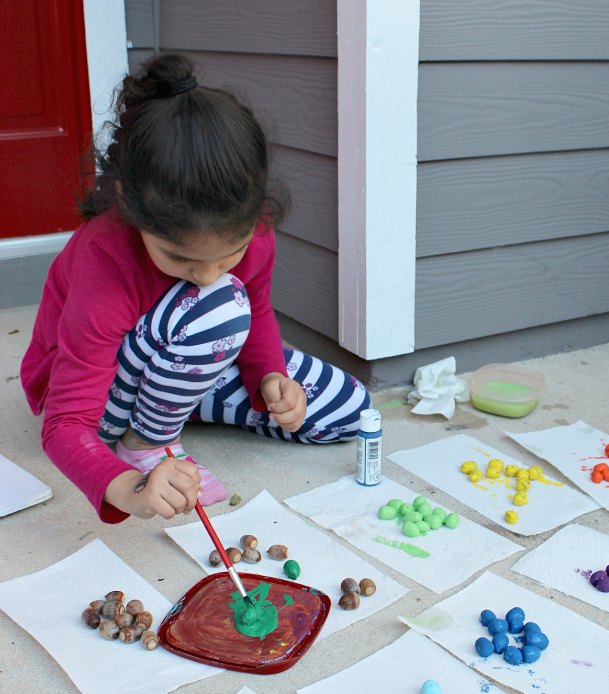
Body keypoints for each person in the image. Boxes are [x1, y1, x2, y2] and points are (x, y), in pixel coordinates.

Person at [21, 54, 370, 524]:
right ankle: (145, 446)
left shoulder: (254, 231)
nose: (207, 273)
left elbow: (258, 310)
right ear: (128, 202)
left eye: (230, 254)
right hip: (96, 392)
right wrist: (130, 488)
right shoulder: (105, 260)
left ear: (255, 212)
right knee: (221, 303)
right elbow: (66, 424)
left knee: (350, 408)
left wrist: (269, 377)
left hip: (184, 357)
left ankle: (172, 407)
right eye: (180, 258)